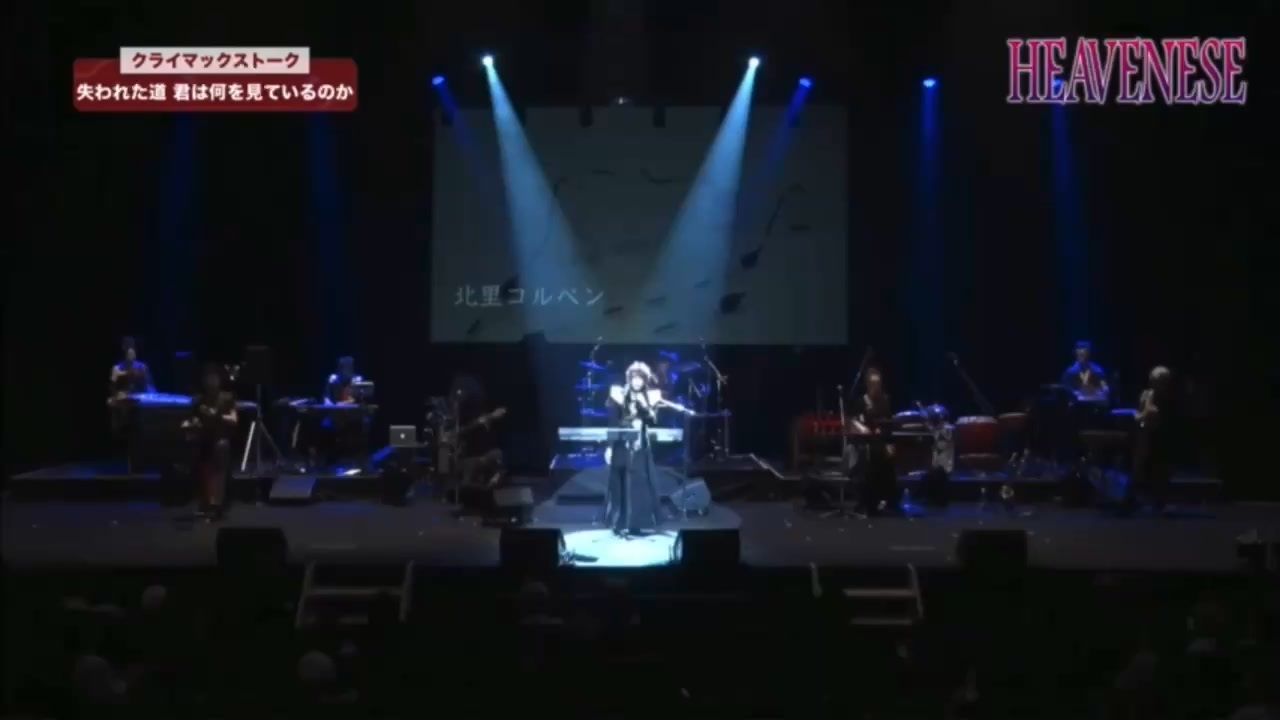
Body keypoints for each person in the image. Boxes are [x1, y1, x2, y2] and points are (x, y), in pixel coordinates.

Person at [604, 362, 663, 536]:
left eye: (640, 378)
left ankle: (637, 523)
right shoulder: (619, 395)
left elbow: (653, 421)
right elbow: (613, 422)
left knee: (639, 484)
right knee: (620, 484)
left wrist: (645, 408)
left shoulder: (650, 396)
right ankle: (619, 523)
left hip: (640, 446)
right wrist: (609, 447)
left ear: (645, 380)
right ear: (629, 379)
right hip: (621, 445)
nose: (637, 381)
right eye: (634, 378)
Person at [183, 364, 237, 521]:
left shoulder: (227, 398)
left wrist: (218, 416)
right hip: (202, 439)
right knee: (198, 458)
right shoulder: (198, 400)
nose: (211, 381)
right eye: (208, 378)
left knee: (220, 450)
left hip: (220, 439)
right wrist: (190, 423)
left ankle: (216, 504)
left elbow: (234, 420)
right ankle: (204, 502)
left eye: (214, 378)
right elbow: (193, 419)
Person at [1124, 366, 1174, 514]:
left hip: (1160, 436)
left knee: (1159, 469)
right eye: (1153, 380)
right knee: (1138, 467)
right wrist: (1140, 415)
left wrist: (1142, 415)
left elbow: (1152, 413)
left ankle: (1159, 501)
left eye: (1160, 381)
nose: (1155, 383)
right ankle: (1132, 499)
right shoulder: (1146, 394)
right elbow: (1141, 413)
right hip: (1144, 435)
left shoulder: (1167, 399)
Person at [850, 368, 898, 515]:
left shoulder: (886, 400)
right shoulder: (861, 402)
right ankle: (869, 500)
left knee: (890, 455)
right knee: (871, 457)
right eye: (873, 384)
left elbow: (891, 422)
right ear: (868, 385)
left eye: (878, 383)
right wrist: (863, 428)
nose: (876, 387)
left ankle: (889, 500)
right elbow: (855, 422)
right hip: (866, 443)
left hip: (884, 441)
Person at [447, 374, 505, 487]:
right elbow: (454, 433)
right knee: (471, 465)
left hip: (472, 457)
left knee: (497, 455)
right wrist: (488, 418)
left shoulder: (473, 415)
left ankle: (490, 482)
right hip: (458, 462)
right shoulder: (450, 418)